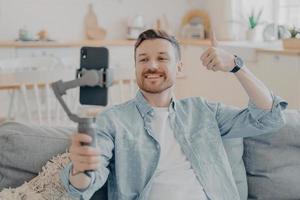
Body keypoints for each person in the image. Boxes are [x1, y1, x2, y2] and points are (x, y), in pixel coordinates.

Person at [60, 29, 287, 200]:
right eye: (143, 59)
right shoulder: (113, 120)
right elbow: (83, 185)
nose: (152, 65)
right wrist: (81, 169)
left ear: (179, 67)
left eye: (162, 58)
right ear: (135, 67)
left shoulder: (203, 111)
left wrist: (237, 66)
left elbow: (268, 117)